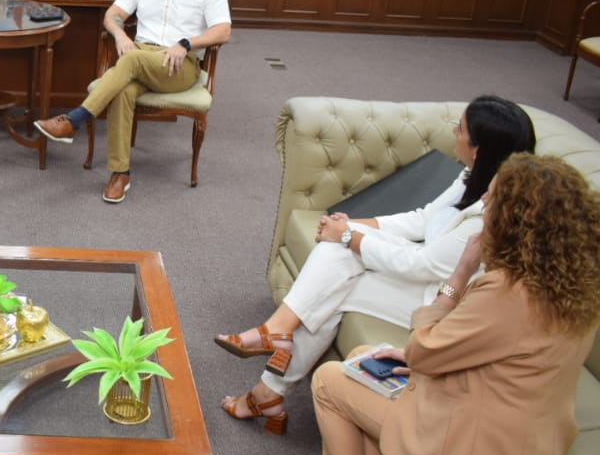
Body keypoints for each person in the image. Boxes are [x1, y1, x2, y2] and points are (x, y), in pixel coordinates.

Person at [308, 154, 600, 455]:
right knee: (364, 360)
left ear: (517, 219)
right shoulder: (577, 288)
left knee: (329, 380)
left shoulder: (506, 292)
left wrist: (460, 274)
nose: (484, 205)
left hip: (477, 447)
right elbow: (504, 355)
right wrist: (418, 358)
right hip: (528, 437)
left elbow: (424, 347)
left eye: (492, 200)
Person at [216, 96, 536, 435]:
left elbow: (423, 265)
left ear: (479, 149)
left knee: (330, 286)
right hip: (426, 268)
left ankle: (269, 379)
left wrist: (348, 236)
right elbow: (421, 220)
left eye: (460, 129)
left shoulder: (488, 216)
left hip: (440, 298)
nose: (453, 132)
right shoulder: (473, 176)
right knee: (335, 256)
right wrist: (351, 225)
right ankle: (272, 360)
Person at [34, 0, 231, 203]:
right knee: (123, 90)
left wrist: (186, 43)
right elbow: (112, 15)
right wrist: (119, 34)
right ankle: (120, 173)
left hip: (179, 65)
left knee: (131, 60)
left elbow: (223, 30)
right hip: (141, 56)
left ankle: (75, 120)